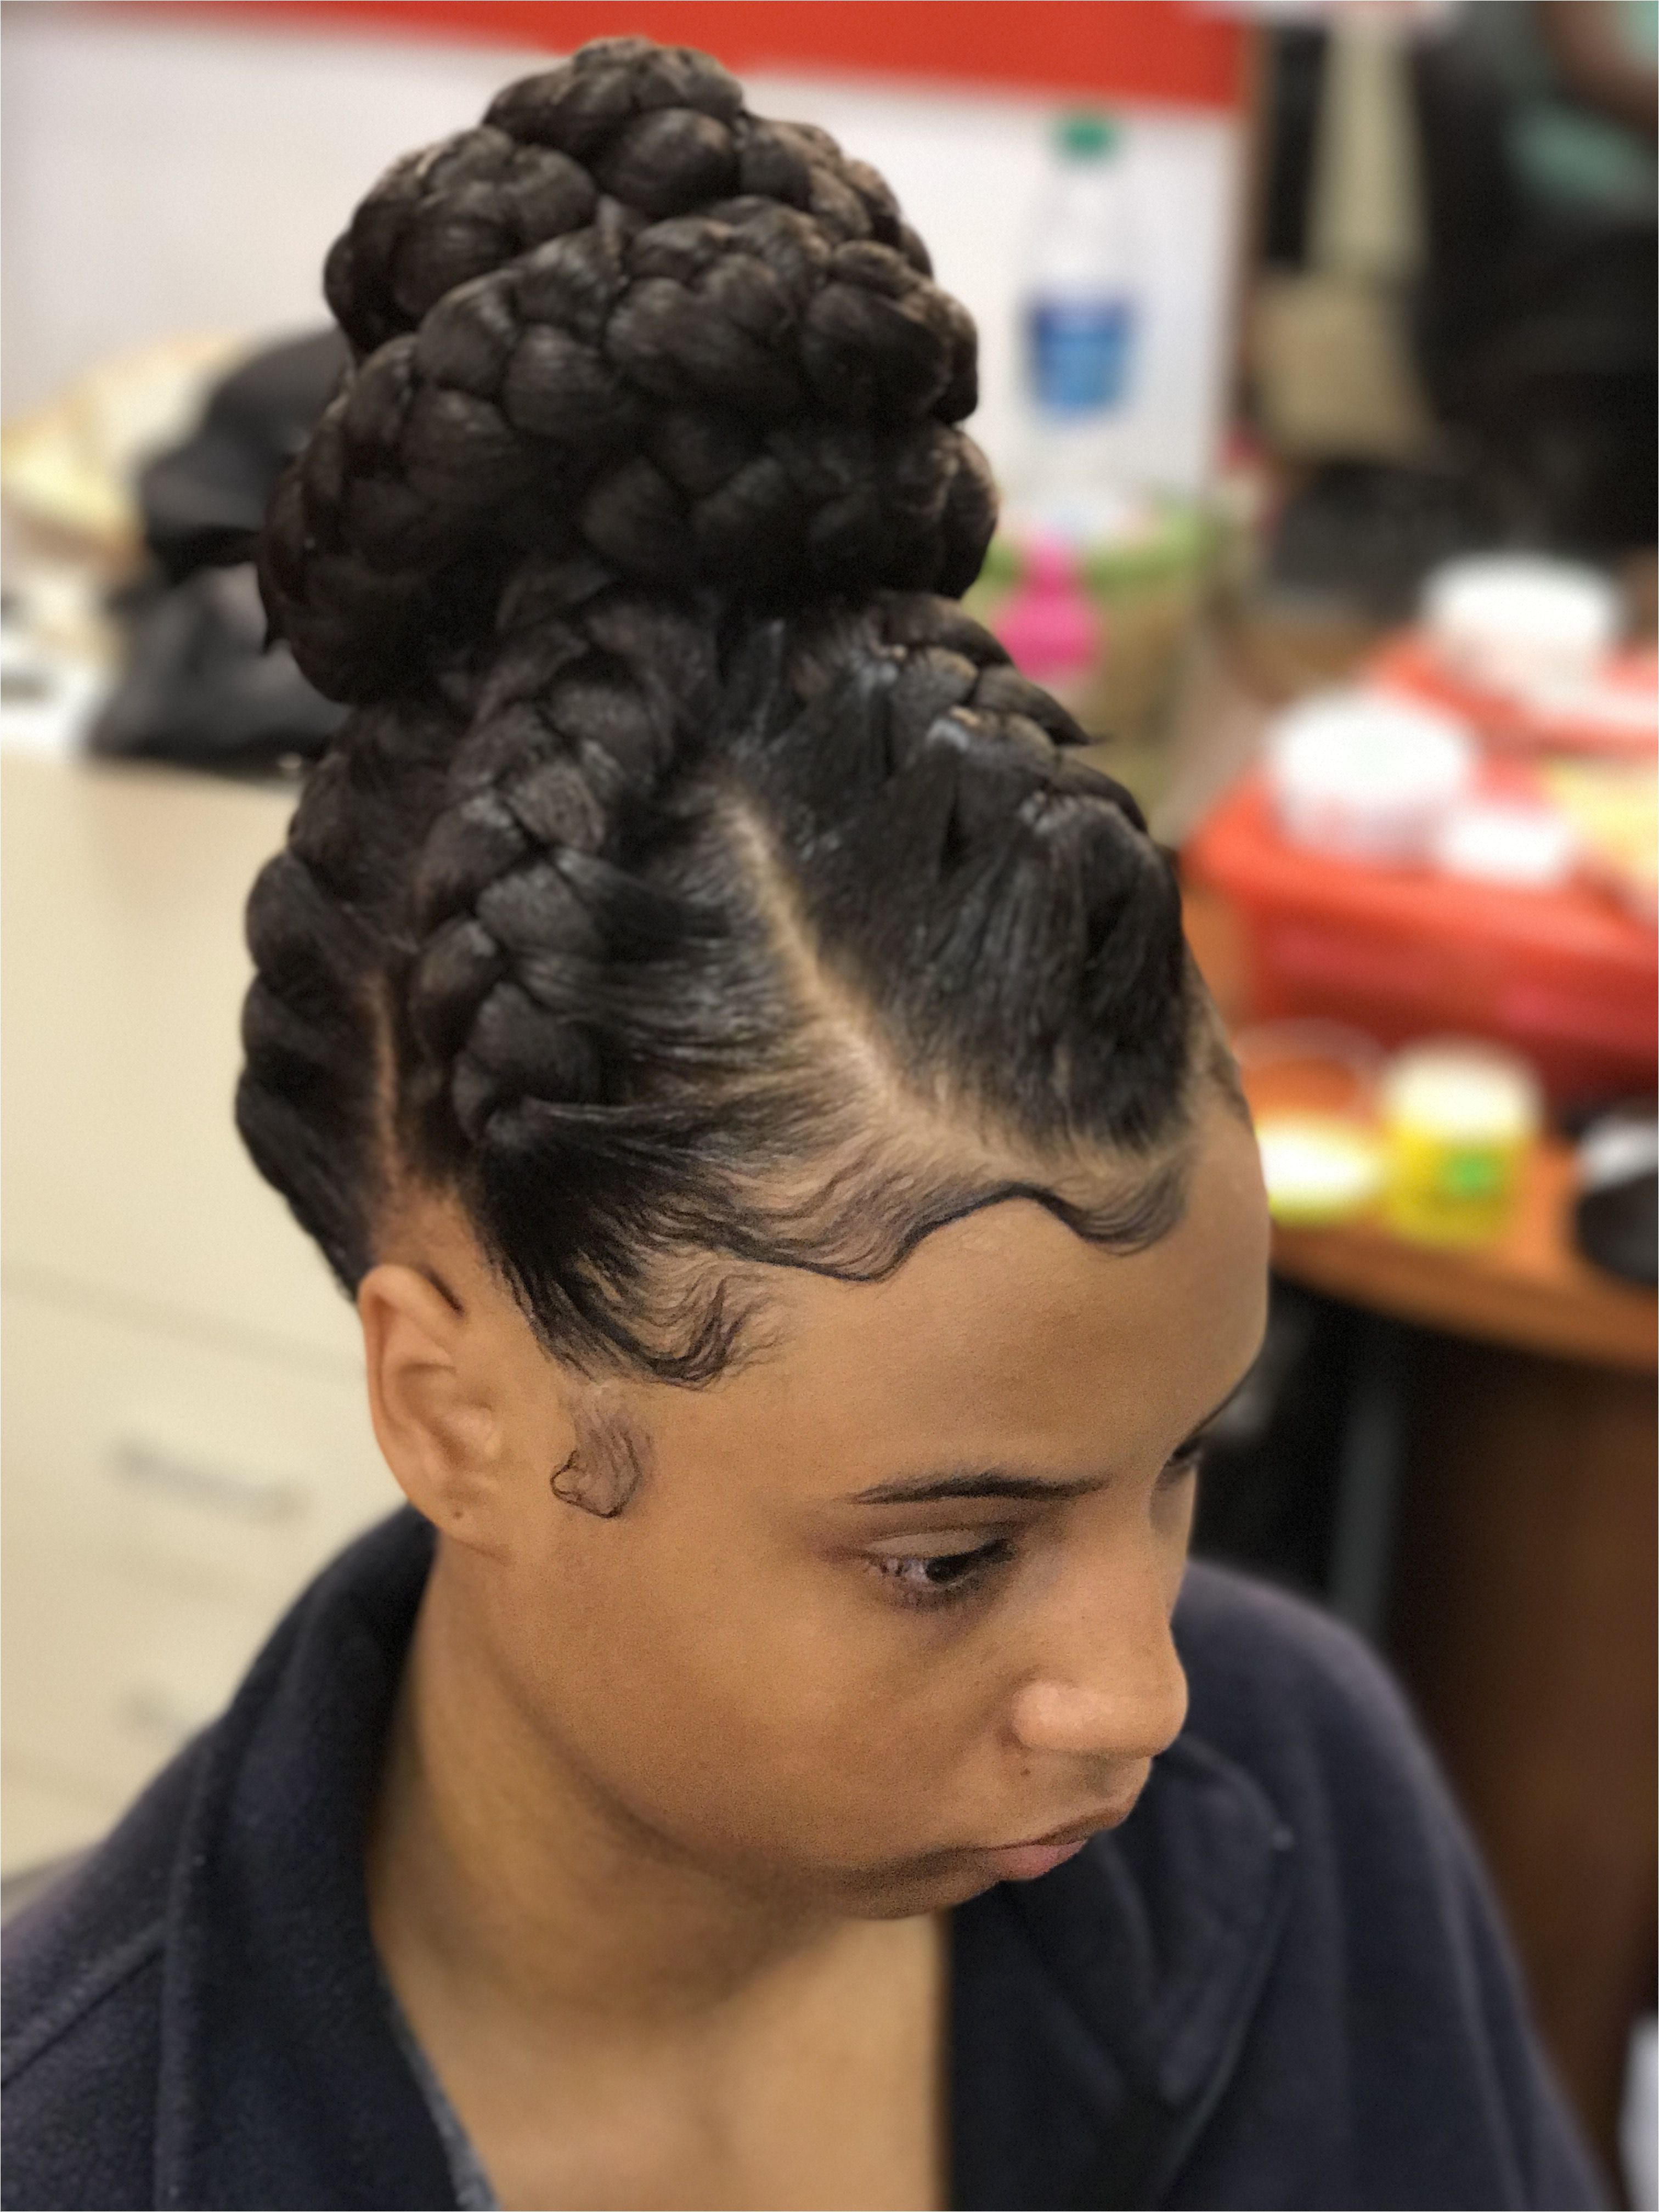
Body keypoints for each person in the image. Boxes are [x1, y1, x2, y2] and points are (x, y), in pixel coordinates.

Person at [1, 37, 1603, 2212]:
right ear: (453, 1409)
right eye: (946, 1558)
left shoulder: (1310, 1789)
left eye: (1181, 1467)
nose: (1138, 1695)